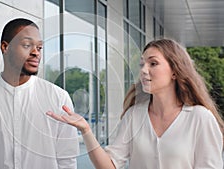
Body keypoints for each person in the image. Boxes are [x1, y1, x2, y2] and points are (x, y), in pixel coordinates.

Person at [47, 38, 224, 169]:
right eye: (142, 64)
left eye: (153, 63)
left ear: (175, 72)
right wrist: (86, 130)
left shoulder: (200, 118)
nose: (144, 70)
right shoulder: (134, 116)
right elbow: (109, 165)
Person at [0, 18, 79, 169]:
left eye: (39, 48)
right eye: (27, 45)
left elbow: (67, 161)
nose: (35, 53)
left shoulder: (59, 98)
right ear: (5, 47)